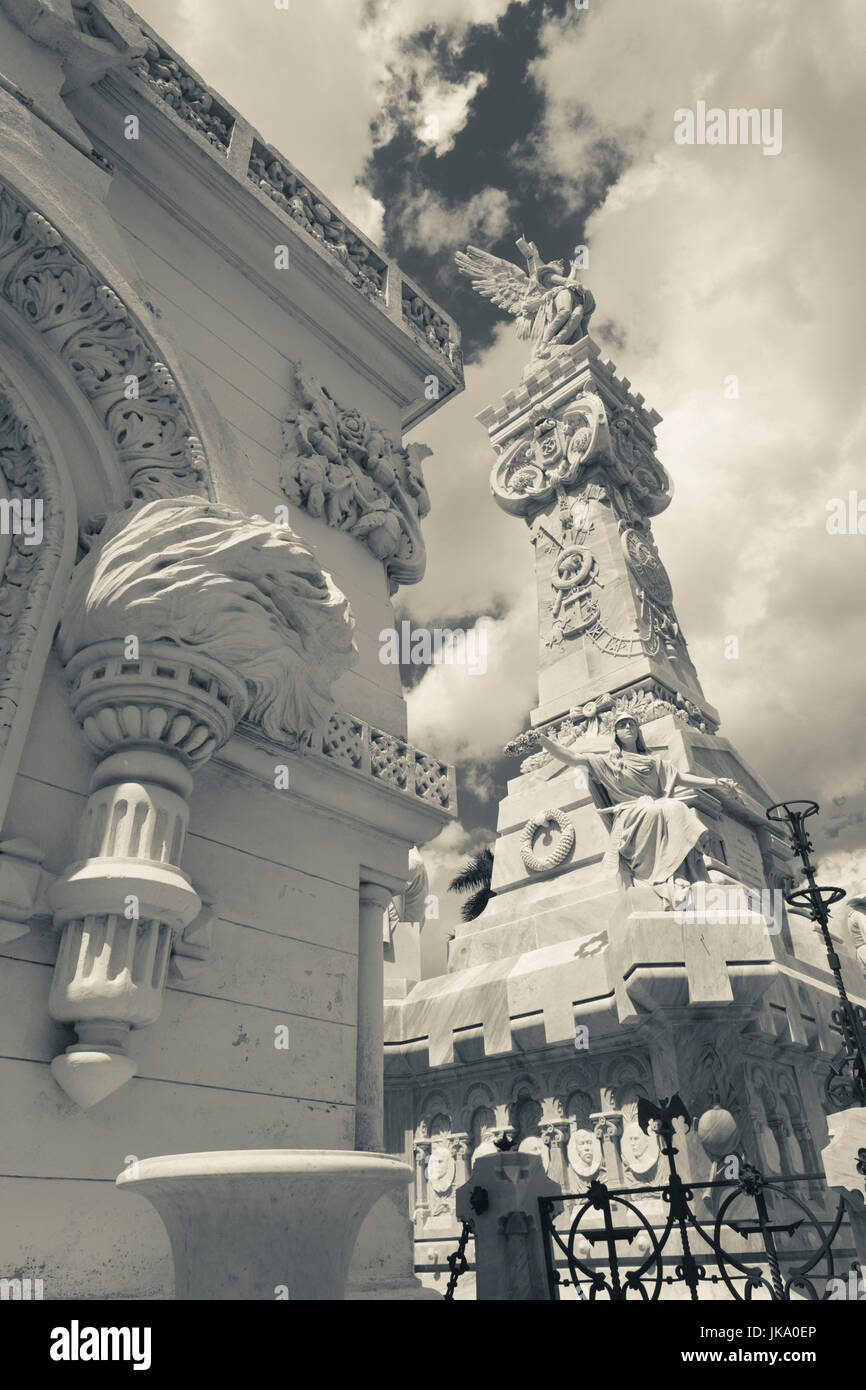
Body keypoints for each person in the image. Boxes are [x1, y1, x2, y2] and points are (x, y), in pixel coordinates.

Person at [539, 714, 742, 909]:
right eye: (622, 725)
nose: (628, 728)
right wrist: (542, 740)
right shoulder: (608, 761)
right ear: (615, 734)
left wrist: (715, 782)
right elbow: (573, 757)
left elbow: (679, 777)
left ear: (638, 730)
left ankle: (679, 874)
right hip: (631, 813)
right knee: (653, 811)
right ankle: (663, 878)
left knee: (676, 807)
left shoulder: (653, 761)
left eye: (631, 724)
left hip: (656, 807)